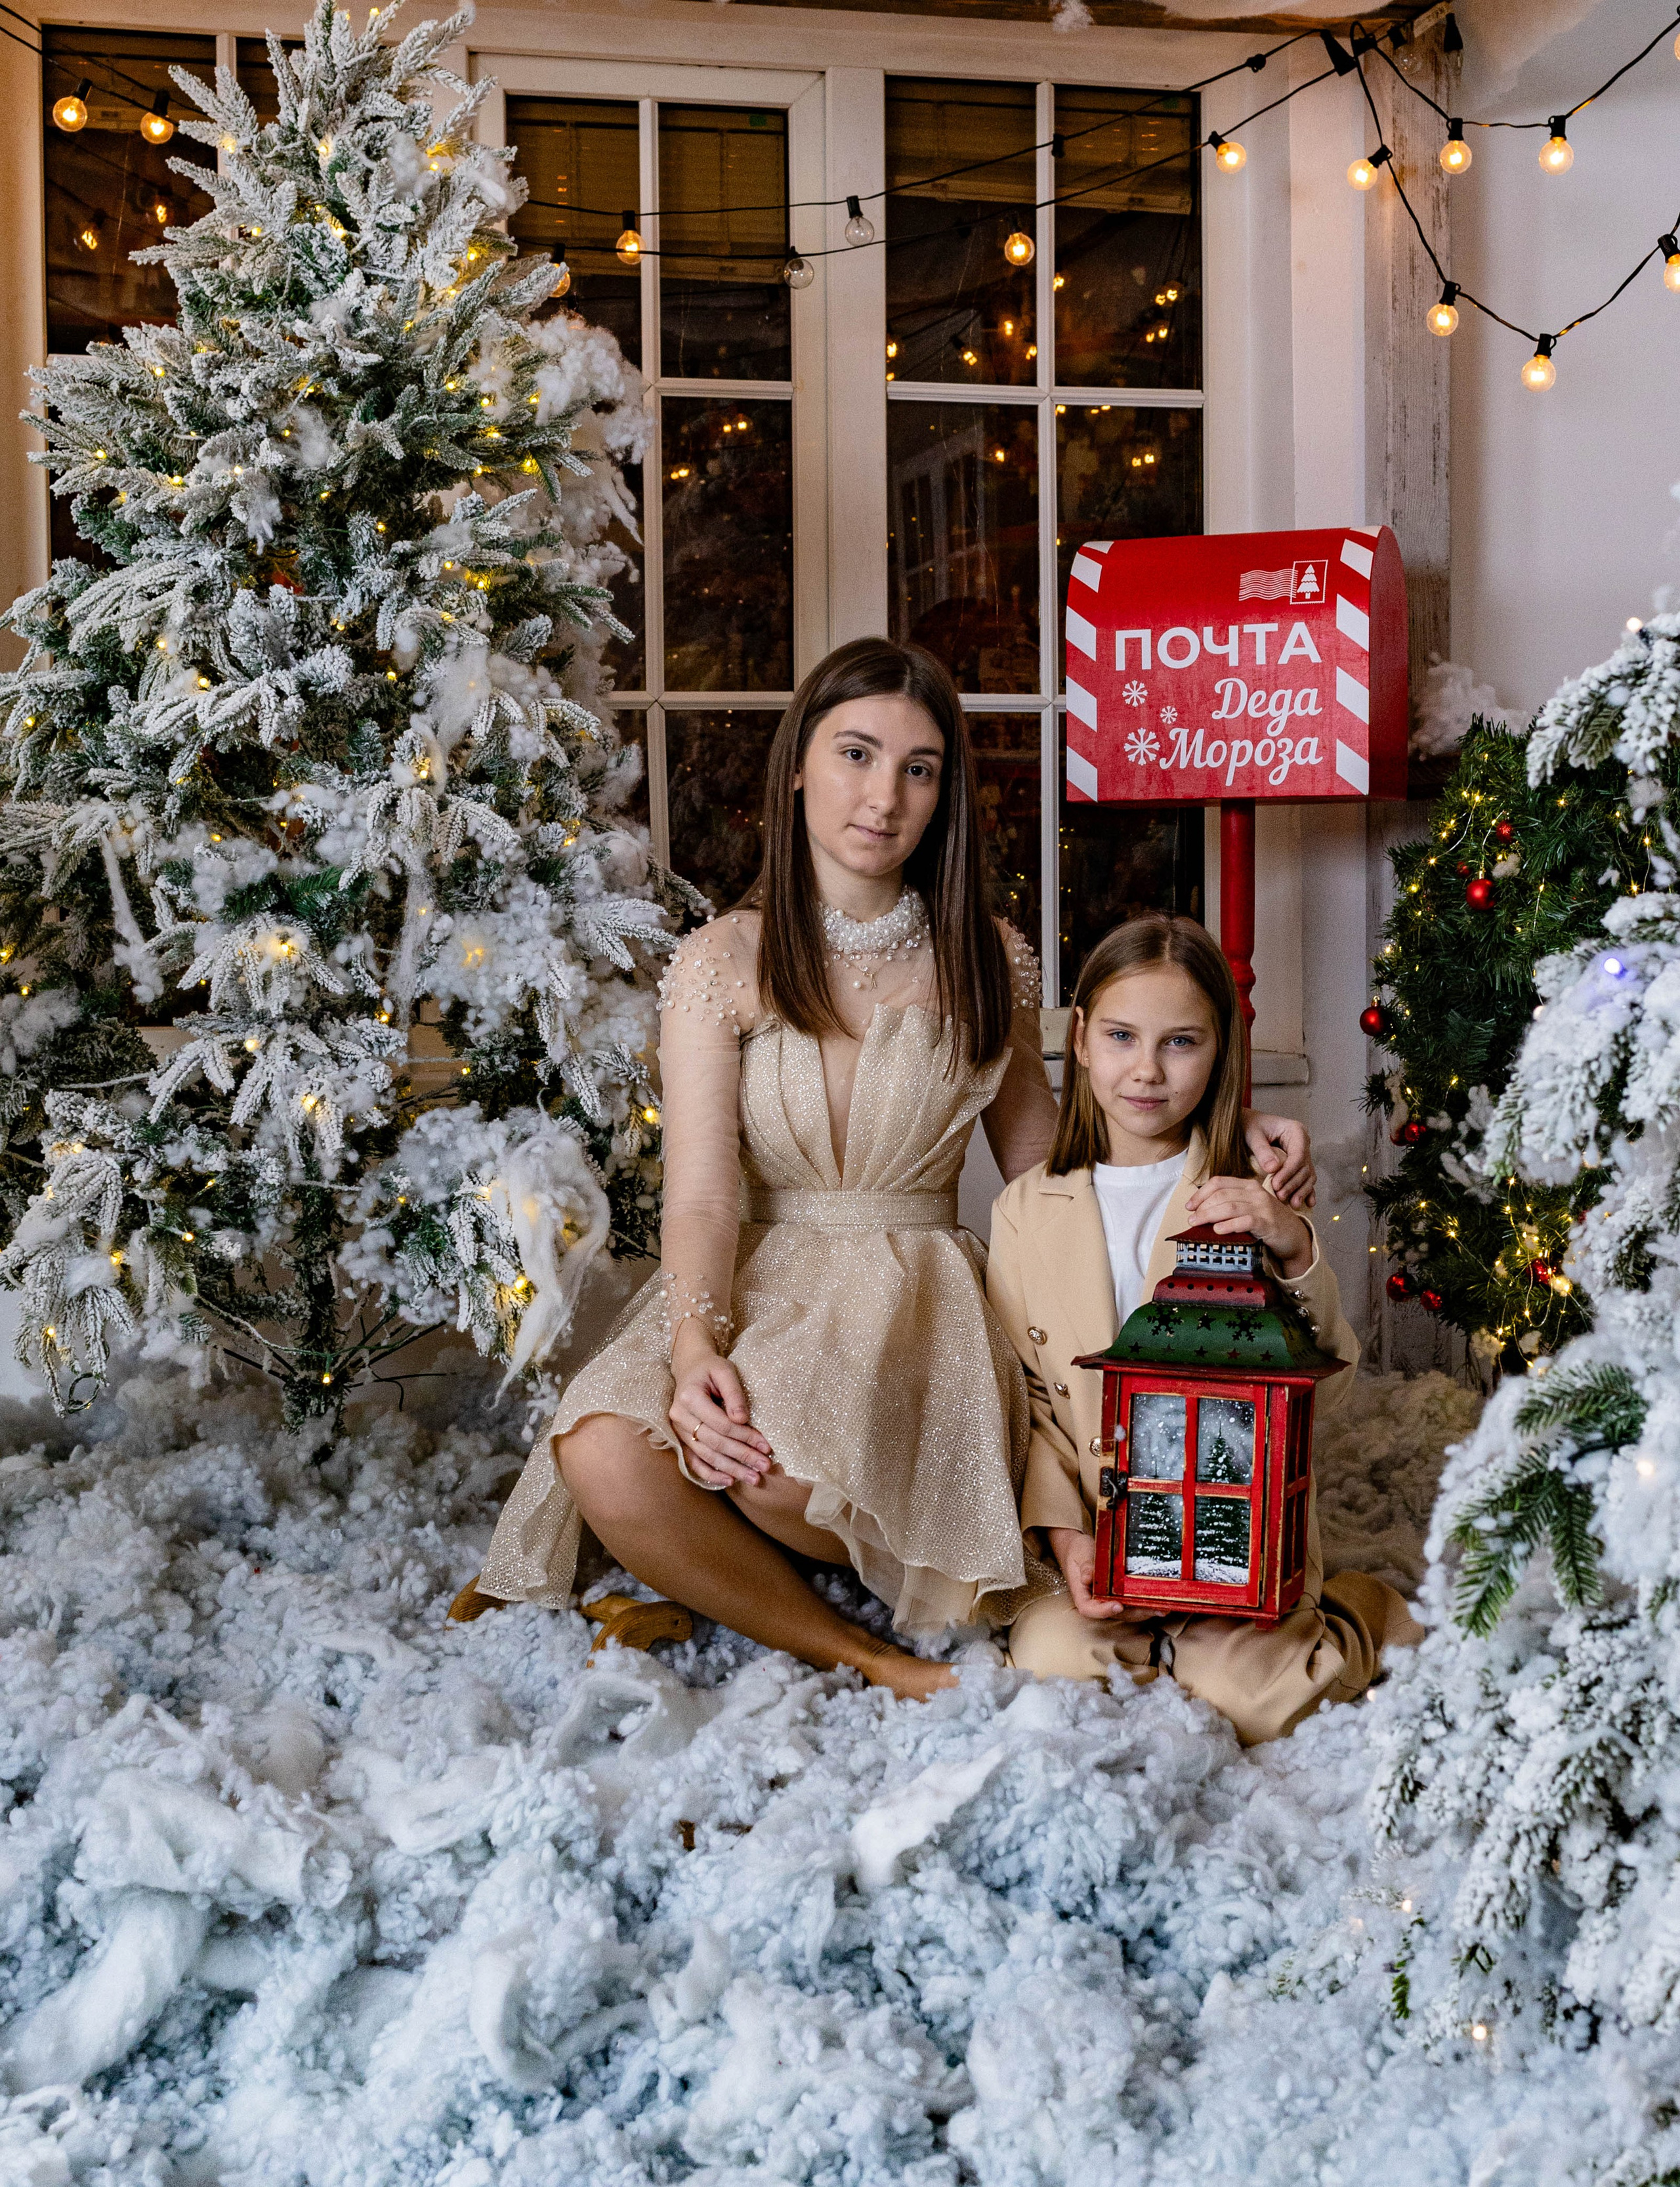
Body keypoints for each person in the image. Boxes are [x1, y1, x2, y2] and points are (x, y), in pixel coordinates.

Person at [472, 640, 1318, 1701]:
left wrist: (1237, 1136)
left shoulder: (983, 951)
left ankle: (778, 1554)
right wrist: (693, 1345)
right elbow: (700, 1194)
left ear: (944, 793)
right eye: (858, 754)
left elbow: (1049, 1169)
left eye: (919, 769)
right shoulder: (721, 959)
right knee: (601, 1445)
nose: (885, 796)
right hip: (757, 1275)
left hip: (912, 1301)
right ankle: (867, 1654)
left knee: (783, 1471)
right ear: (798, 766)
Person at [990, 912, 1422, 1743]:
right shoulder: (1022, 1211)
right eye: (1121, 1036)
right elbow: (1033, 1402)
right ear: (1079, 1040)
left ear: (1220, 1048)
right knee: (1052, 1673)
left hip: (1233, 1536)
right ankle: (1147, 1642)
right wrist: (1067, 1536)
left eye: (1181, 1042)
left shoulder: (1249, 1189)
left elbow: (1321, 1391)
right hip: (1102, 1532)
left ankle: (1360, 1611)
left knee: (1262, 1698)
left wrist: (1293, 1245)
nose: (1146, 1070)